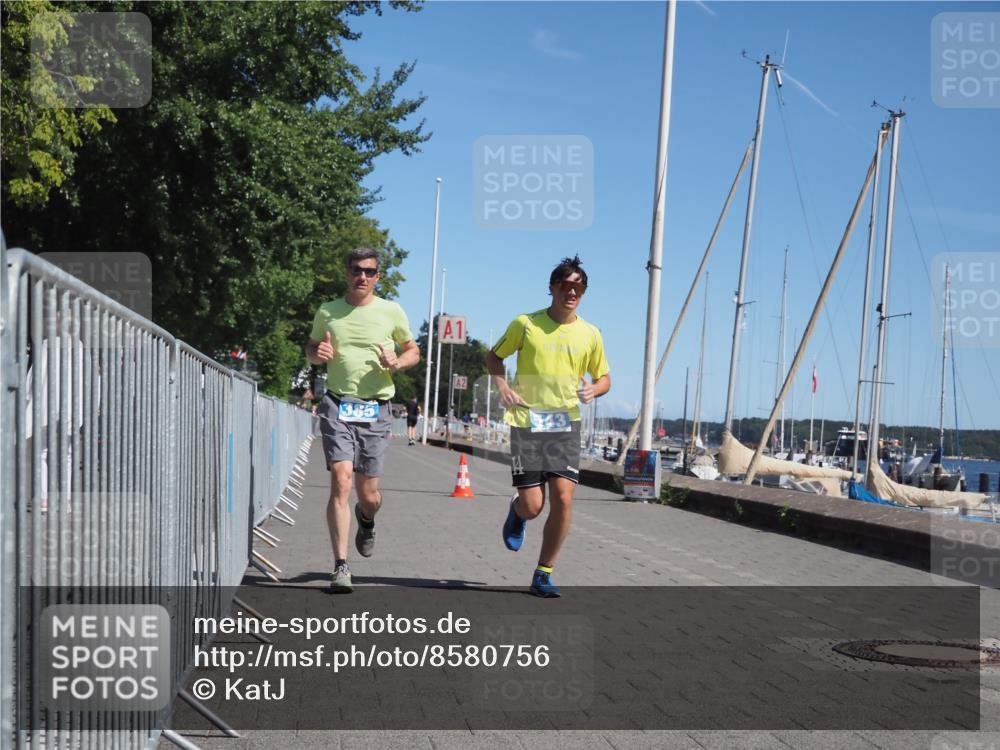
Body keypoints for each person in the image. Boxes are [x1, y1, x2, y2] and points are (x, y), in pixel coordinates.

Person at [485, 255, 611, 597]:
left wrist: (594, 389)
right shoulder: (526, 324)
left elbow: (605, 378)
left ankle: (543, 572)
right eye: (566, 285)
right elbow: (493, 357)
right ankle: (517, 512)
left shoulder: (590, 334)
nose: (572, 292)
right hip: (527, 421)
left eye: (579, 287)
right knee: (533, 506)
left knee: (564, 498)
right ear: (552, 287)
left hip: (565, 424)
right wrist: (503, 388)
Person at [305, 247, 420, 593]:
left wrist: (397, 362)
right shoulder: (328, 312)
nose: (363, 276)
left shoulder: (391, 311)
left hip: (376, 409)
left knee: (368, 494)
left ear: (377, 277)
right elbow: (311, 348)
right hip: (338, 403)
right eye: (357, 269)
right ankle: (341, 566)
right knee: (341, 481)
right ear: (346, 272)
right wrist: (317, 354)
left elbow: (413, 351)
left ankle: (366, 518)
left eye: (370, 271)